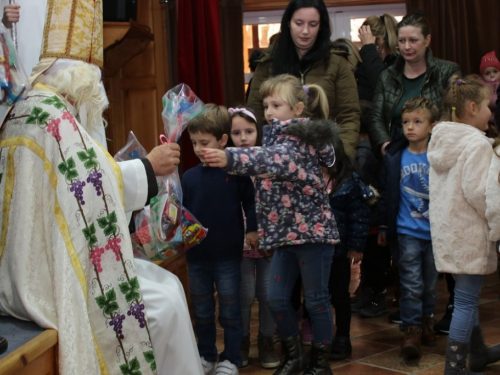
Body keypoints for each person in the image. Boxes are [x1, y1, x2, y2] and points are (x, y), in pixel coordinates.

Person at [0, 1, 203, 374]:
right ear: (82, 83)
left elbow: (77, 180)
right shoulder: (56, 119)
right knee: (166, 300)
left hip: (23, 268)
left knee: (165, 289)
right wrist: (149, 167)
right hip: (51, 277)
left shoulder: (28, 106)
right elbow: (90, 189)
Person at [203, 74, 338, 375]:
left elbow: (269, 159)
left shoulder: (298, 142)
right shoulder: (278, 138)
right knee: (276, 298)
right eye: (266, 105)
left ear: (298, 109)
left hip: (312, 235)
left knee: (316, 301)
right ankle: (294, 357)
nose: (270, 111)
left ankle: (320, 363)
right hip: (284, 237)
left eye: (277, 104)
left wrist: (229, 156)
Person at [428, 75, 500, 374]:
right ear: (472, 107)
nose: (491, 113)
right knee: (467, 300)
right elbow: (481, 193)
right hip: (470, 234)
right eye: (488, 106)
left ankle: (479, 352)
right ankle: (454, 368)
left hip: (448, 233)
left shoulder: (440, 141)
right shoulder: (478, 145)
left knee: (462, 296)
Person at [182, 104, 258, 375]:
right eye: (193, 142)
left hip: (227, 254)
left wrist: (253, 230)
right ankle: (206, 355)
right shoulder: (189, 176)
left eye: (205, 142)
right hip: (196, 256)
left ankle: (231, 358)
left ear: (222, 140)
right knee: (202, 311)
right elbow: (184, 213)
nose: (198, 147)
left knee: (229, 309)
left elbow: (250, 204)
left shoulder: (235, 172)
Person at [246, 0, 360, 160]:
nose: (305, 31)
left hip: (325, 155)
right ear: (288, 23)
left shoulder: (337, 61)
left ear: (321, 26)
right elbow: (254, 113)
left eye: (313, 24)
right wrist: (262, 156)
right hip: (276, 156)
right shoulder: (268, 61)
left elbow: (349, 115)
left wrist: (339, 159)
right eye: (299, 23)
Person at [377, 97, 439, 361]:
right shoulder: (395, 156)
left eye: (417, 122)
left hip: (436, 231)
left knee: (430, 284)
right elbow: (386, 193)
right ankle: (411, 329)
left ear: (432, 125)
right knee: (411, 282)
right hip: (407, 231)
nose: (410, 127)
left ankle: (426, 321)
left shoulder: (438, 156)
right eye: (405, 122)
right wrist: (383, 224)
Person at [227, 106, 280, 370]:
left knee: (268, 294)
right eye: (236, 132)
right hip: (241, 243)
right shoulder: (227, 163)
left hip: (268, 240)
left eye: (249, 131)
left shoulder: (267, 159)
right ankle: (243, 339)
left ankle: (267, 339)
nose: (243, 137)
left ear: (258, 132)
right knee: (245, 295)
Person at [369, 11, 461, 157]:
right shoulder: (386, 76)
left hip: (437, 151)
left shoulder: (448, 71)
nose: (406, 47)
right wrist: (385, 146)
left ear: (427, 40)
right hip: (396, 151)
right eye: (401, 41)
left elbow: (454, 112)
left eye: (413, 40)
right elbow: (376, 118)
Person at [322, 137, 375, 361]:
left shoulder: (349, 182)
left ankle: (343, 336)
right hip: (315, 252)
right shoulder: (308, 179)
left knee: (340, 295)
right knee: (317, 296)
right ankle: (320, 337)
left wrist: (356, 246)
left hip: (339, 251)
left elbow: (358, 217)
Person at [351, 101, 391, 319]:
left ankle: (377, 297)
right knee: (371, 260)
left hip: (371, 218)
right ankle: (369, 295)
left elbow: (364, 188)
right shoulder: (369, 148)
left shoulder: (363, 155)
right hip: (373, 217)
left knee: (375, 261)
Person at [357, 14, 399, 101]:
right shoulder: (366, 61)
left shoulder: (399, 62)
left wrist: (368, 47)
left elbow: (382, 84)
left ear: (380, 40)